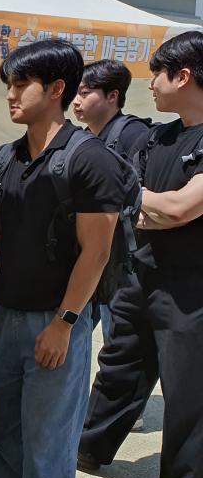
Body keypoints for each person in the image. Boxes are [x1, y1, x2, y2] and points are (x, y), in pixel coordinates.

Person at [0, 39, 122, 478]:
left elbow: (96, 250)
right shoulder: (2, 159)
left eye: (21, 84)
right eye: (8, 83)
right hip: (3, 314)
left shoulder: (89, 158)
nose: (10, 94)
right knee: (4, 427)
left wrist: (65, 322)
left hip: (57, 321)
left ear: (57, 89)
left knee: (48, 437)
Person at [79, 31, 203, 478]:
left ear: (184, 76)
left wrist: (146, 202)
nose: (149, 84)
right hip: (143, 273)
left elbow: (179, 207)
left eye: (157, 74)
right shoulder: (161, 137)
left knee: (187, 393)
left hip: (192, 290)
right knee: (119, 367)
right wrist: (152, 206)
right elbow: (145, 210)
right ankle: (89, 449)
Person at [72, 58, 152, 432]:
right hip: (94, 255)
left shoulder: (134, 135)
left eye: (85, 92)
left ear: (112, 96)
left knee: (117, 337)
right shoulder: (88, 137)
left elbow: (138, 197)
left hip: (123, 258)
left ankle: (120, 411)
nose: (76, 100)